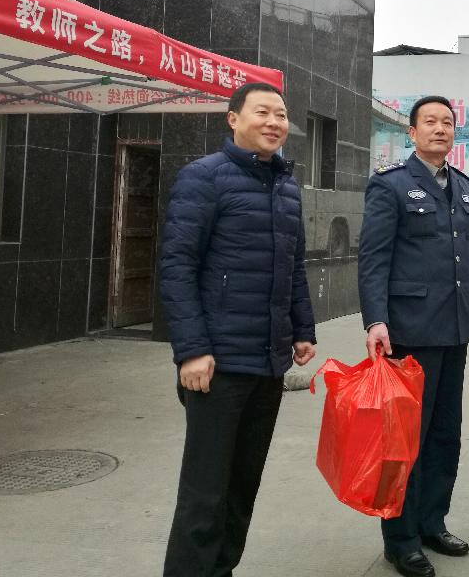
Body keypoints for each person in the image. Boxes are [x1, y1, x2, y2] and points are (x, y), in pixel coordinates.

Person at [160, 82, 316, 576]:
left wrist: (302, 329)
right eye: (262, 112)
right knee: (204, 493)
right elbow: (177, 266)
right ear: (233, 119)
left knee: (242, 488)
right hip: (218, 364)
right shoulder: (203, 177)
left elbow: (292, 267)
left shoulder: (286, 187)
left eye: (281, 114)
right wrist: (191, 350)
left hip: (268, 362)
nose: (274, 122)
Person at [358, 95, 469, 577]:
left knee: (444, 435)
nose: (440, 129)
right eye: (430, 122)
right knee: (404, 442)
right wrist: (375, 319)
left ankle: (431, 523)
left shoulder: (463, 187)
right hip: (409, 332)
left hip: (454, 331)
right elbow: (373, 257)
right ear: (412, 132)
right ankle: (400, 539)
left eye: (447, 123)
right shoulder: (391, 185)